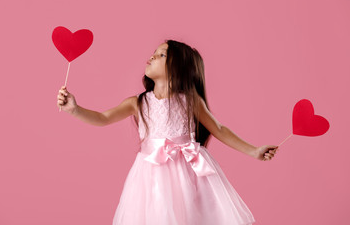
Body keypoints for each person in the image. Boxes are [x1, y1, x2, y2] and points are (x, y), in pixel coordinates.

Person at [56, 39, 278, 225]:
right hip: (149, 178)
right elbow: (103, 118)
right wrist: (74, 109)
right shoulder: (138, 102)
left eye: (161, 55)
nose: (152, 56)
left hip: (188, 178)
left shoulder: (191, 101)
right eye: (154, 53)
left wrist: (254, 151)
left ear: (178, 67)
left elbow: (219, 129)